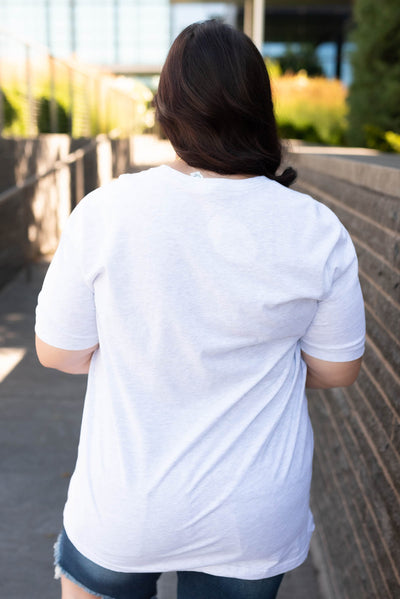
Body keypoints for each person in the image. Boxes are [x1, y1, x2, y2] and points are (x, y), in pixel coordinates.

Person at [35, 20, 365, 599]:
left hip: (124, 504)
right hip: (251, 513)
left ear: (167, 108)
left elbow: (57, 351)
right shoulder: (315, 228)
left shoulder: (106, 210)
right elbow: (338, 369)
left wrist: (149, 355)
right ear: (260, 109)